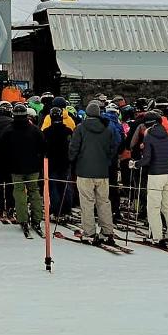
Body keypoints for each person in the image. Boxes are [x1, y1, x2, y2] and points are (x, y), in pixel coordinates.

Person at [69, 101, 119, 246]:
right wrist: (107, 161)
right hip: (102, 172)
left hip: (84, 170)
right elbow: (112, 148)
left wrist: (72, 160)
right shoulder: (108, 129)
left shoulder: (80, 128)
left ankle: (89, 232)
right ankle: (107, 231)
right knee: (104, 201)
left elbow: (74, 148)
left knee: (87, 202)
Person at [138, 111, 168, 245]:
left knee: (153, 207)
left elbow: (146, 159)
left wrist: (135, 164)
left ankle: (156, 236)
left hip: (155, 175)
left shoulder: (149, 136)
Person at [0, 103, 44, 237]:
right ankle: (37, 218)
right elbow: (43, 147)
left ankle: (23, 219)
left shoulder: (8, 130)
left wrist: (4, 164)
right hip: (33, 167)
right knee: (34, 192)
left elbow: (2, 149)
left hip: (15, 167)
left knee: (19, 193)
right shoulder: (35, 130)